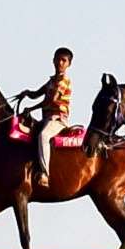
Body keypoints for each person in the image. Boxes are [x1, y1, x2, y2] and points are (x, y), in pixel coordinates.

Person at [16, 49, 78, 180]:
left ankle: (45, 173)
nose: (60, 63)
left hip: (58, 120)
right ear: (53, 60)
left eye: (64, 60)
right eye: (58, 59)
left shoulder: (63, 81)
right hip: (46, 119)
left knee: (43, 136)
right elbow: (36, 94)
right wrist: (27, 93)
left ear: (69, 64)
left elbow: (51, 101)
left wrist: (31, 108)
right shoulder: (51, 81)